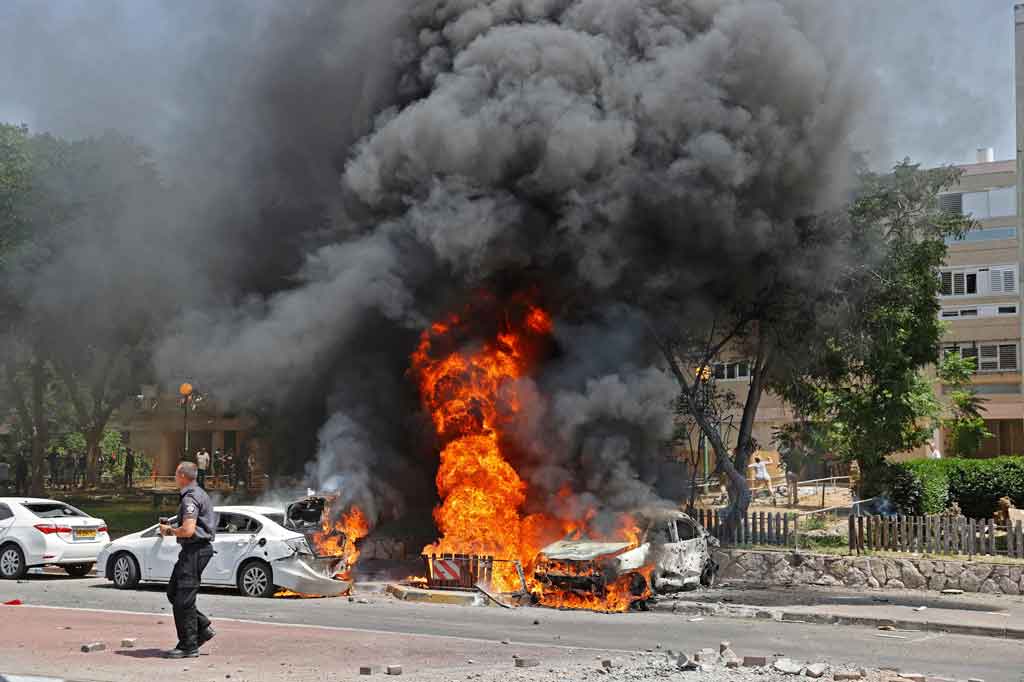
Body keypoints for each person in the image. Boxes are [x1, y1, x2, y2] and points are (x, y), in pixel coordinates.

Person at [159, 461, 217, 659]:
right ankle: (202, 627)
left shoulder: (190, 497)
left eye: (176, 474)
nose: (175, 477)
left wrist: (169, 531)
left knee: (183, 600)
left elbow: (189, 530)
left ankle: (188, 645)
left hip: (195, 550)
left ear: (182, 476)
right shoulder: (197, 493)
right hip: (194, 550)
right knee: (174, 592)